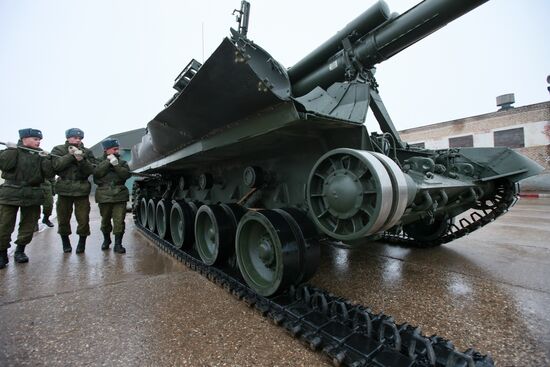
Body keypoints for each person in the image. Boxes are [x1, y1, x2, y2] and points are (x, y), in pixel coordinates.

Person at [0, 129, 54, 269]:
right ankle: (2, 253)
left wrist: (46, 159)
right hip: (11, 193)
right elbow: (5, 165)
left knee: (28, 225)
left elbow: (48, 174)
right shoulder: (13, 151)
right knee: (4, 225)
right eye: (35, 139)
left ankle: (20, 251)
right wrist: (10, 151)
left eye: (39, 139)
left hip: (33, 193)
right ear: (24, 139)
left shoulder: (40, 154)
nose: (38, 141)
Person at [51, 128, 95, 254]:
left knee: (83, 219)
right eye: (75, 137)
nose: (78, 140)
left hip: (81, 189)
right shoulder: (58, 150)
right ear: (68, 138)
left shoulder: (87, 152)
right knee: (63, 218)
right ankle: (65, 241)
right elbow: (56, 166)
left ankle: (82, 243)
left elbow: (90, 170)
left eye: (80, 138)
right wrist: (70, 156)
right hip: (64, 189)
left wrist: (81, 159)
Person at [93, 138, 131, 253]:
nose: (117, 150)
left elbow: (125, 175)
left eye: (117, 148)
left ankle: (118, 244)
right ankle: (106, 240)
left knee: (119, 221)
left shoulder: (122, 162)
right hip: (104, 195)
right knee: (105, 221)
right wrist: (108, 161)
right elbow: (97, 174)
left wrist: (116, 164)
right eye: (114, 149)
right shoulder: (98, 161)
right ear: (106, 150)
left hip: (119, 195)